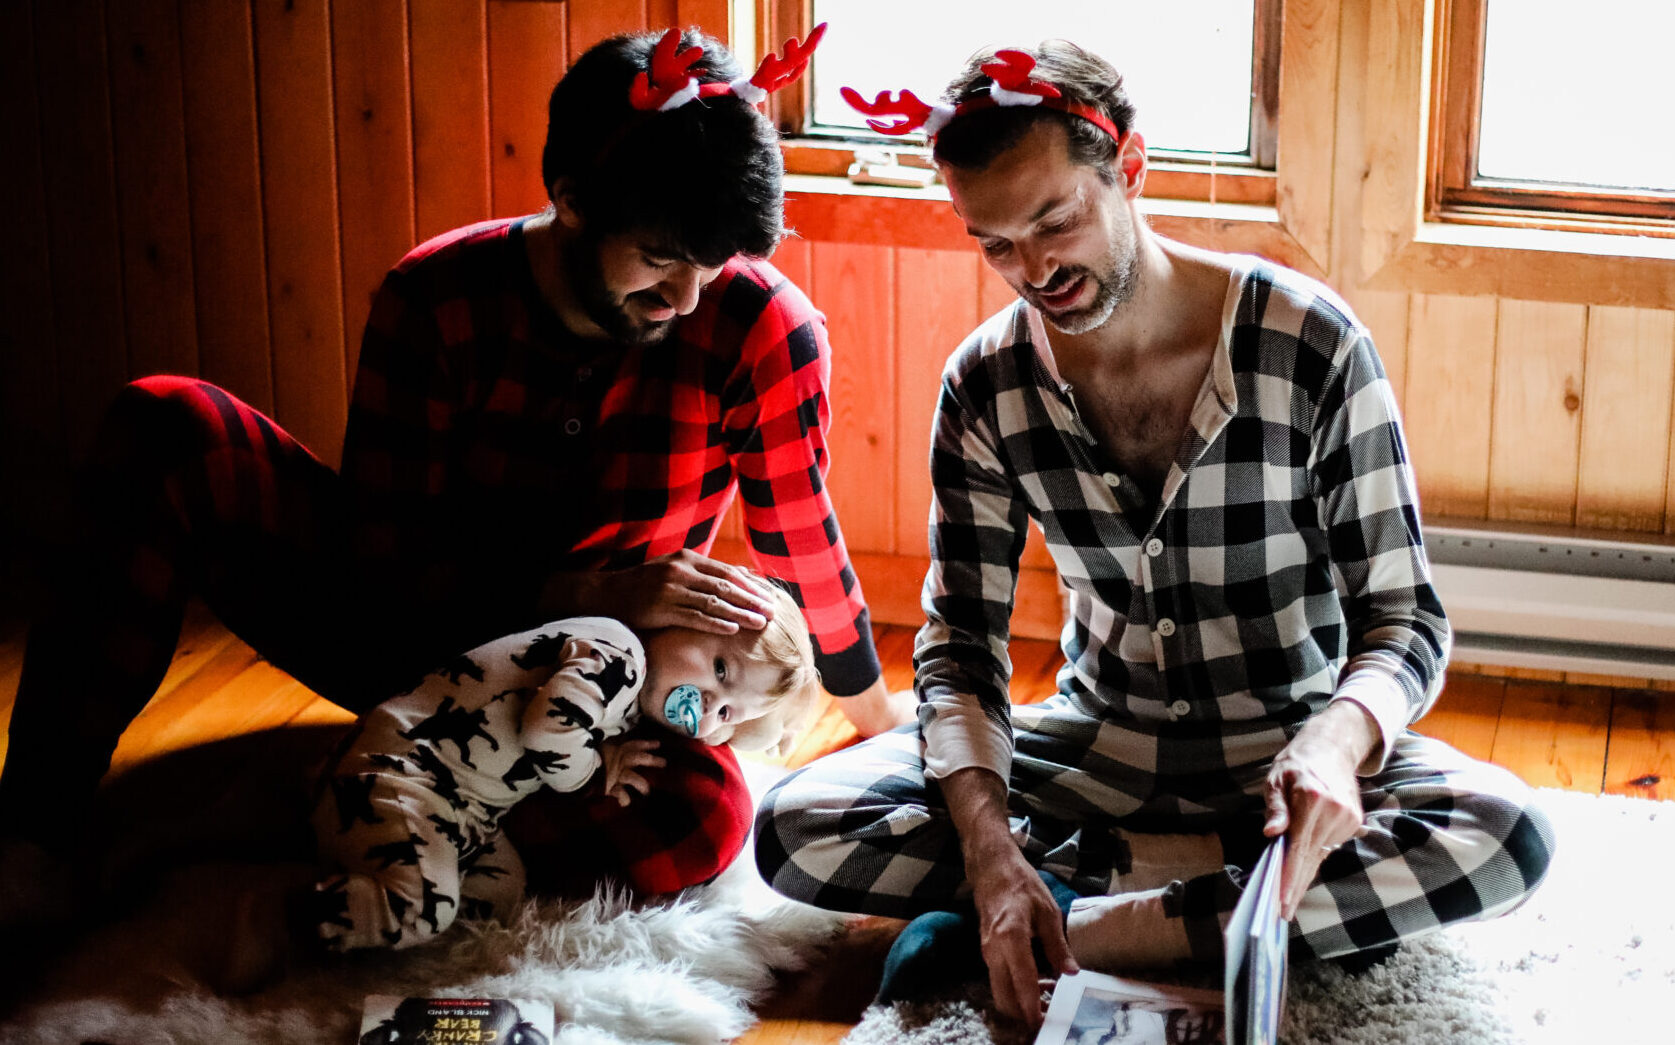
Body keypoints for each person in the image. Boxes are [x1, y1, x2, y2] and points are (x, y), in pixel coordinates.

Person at [0, 25, 913, 932]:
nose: (684, 299)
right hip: (413, 635)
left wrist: (877, 721)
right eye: (661, 259)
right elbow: (381, 567)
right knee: (168, 425)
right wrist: (591, 589)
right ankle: (33, 832)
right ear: (571, 199)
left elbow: (799, 530)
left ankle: (376, 816)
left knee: (706, 821)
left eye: (711, 267)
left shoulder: (761, 328)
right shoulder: (435, 297)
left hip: (599, 694)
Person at [756, 41, 1555, 1028]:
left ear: (1129, 167)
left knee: (1505, 834)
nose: (1034, 268)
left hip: (1287, 744)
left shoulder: (1310, 343)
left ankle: (1066, 928)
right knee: (795, 827)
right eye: (995, 243)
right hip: (1095, 750)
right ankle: (1256, 905)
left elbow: (1404, 620)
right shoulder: (983, 384)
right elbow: (961, 646)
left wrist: (1337, 746)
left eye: (1056, 219)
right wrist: (989, 849)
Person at [304, 573, 816, 954]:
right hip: (406, 774)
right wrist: (597, 770)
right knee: (426, 912)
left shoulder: (636, 692)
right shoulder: (618, 653)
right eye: (719, 668)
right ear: (684, 615)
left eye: (727, 713)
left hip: (465, 811)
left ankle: (369, 904)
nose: (706, 704)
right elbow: (547, 732)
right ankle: (288, 917)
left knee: (500, 893)